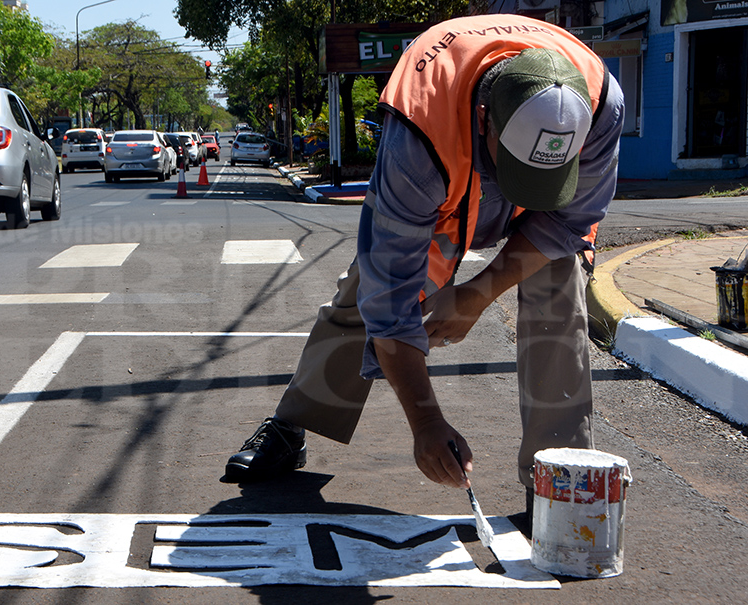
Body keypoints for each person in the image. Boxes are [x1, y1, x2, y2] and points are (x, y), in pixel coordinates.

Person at [224, 14, 625, 507]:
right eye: (516, 166)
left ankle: (558, 477)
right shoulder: (419, 127)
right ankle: (293, 425)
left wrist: (478, 294)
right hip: (446, 191)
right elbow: (390, 293)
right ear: (484, 119)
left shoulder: (600, 101)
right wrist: (426, 421)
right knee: (368, 288)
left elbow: (567, 223)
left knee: (558, 283)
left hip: (543, 215)